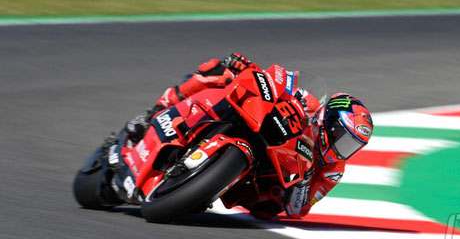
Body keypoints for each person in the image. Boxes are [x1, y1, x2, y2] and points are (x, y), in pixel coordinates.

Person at [124, 53, 373, 218]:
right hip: (262, 128)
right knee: (218, 72)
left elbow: (299, 210)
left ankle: (206, 185)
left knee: (269, 206)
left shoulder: (333, 170)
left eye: (352, 145)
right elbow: (281, 84)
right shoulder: (309, 103)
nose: (343, 148)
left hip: (269, 176)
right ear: (328, 122)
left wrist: (304, 179)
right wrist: (249, 69)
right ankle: (155, 111)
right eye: (342, 137)